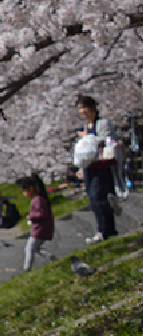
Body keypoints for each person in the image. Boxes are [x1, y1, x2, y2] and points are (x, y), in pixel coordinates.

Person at [74, 94, 119, 241]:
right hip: (89, 167)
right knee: (94, 199)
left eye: (85, 107)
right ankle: (108, 229)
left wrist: (87, 137)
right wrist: (81, 168)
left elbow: (106, 141)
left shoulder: (103, 123)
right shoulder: (87, 126)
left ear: (93, 108)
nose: (83, 111)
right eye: (80, 108)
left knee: (97, 196)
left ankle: (104, 231)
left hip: (101, 166)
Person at [19, 174, 56, 270]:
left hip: (40, 229)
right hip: (40, 228)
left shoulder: (38, 199)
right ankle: (52, 257)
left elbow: (42, 214)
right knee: (36, 249)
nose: (23, 193)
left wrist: (31, 217)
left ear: (31, 189)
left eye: (24, 190)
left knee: (29, 247)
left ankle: (27, 268)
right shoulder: (38, 199)